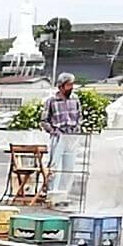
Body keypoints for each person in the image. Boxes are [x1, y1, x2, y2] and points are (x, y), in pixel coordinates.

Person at [41, 73, 84, 204]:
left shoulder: (75, 99)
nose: (71, 87)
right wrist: (53, 131)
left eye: (72, 84)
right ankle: (52, 194)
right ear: (61, 86)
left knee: (69, 167)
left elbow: (80, 117)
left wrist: (77, 129)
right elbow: (44, 120)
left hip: (72, 136)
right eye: (68, 85)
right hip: (58, 135)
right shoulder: (51, 101)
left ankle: (64, 194)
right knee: (55, 166)